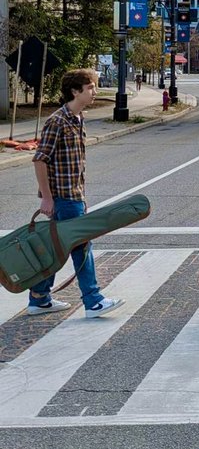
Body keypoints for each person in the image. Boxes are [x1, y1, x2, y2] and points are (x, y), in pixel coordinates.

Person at [29, 69, 124, 317]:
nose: (95, 92)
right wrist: (48, 198)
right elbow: (40, 160)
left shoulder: (78, 118)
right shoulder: (57, 121)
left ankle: (39, 298)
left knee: (57, 249)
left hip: (74, 196)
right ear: (75, 91)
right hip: (64, 199)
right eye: (90, 87)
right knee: (81, 247)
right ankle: (93, 301)